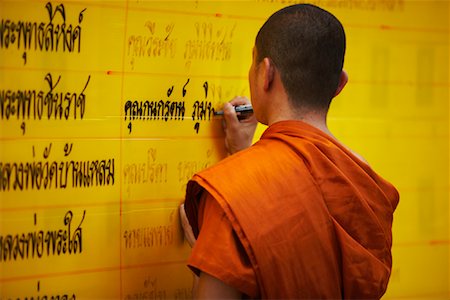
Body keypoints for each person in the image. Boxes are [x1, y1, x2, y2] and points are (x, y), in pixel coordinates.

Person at [180, 3, 399, 299]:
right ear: (339, 84)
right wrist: (242, 154)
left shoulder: (234, 192)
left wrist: (205, 254)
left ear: (266, 73)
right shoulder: (363, 179)